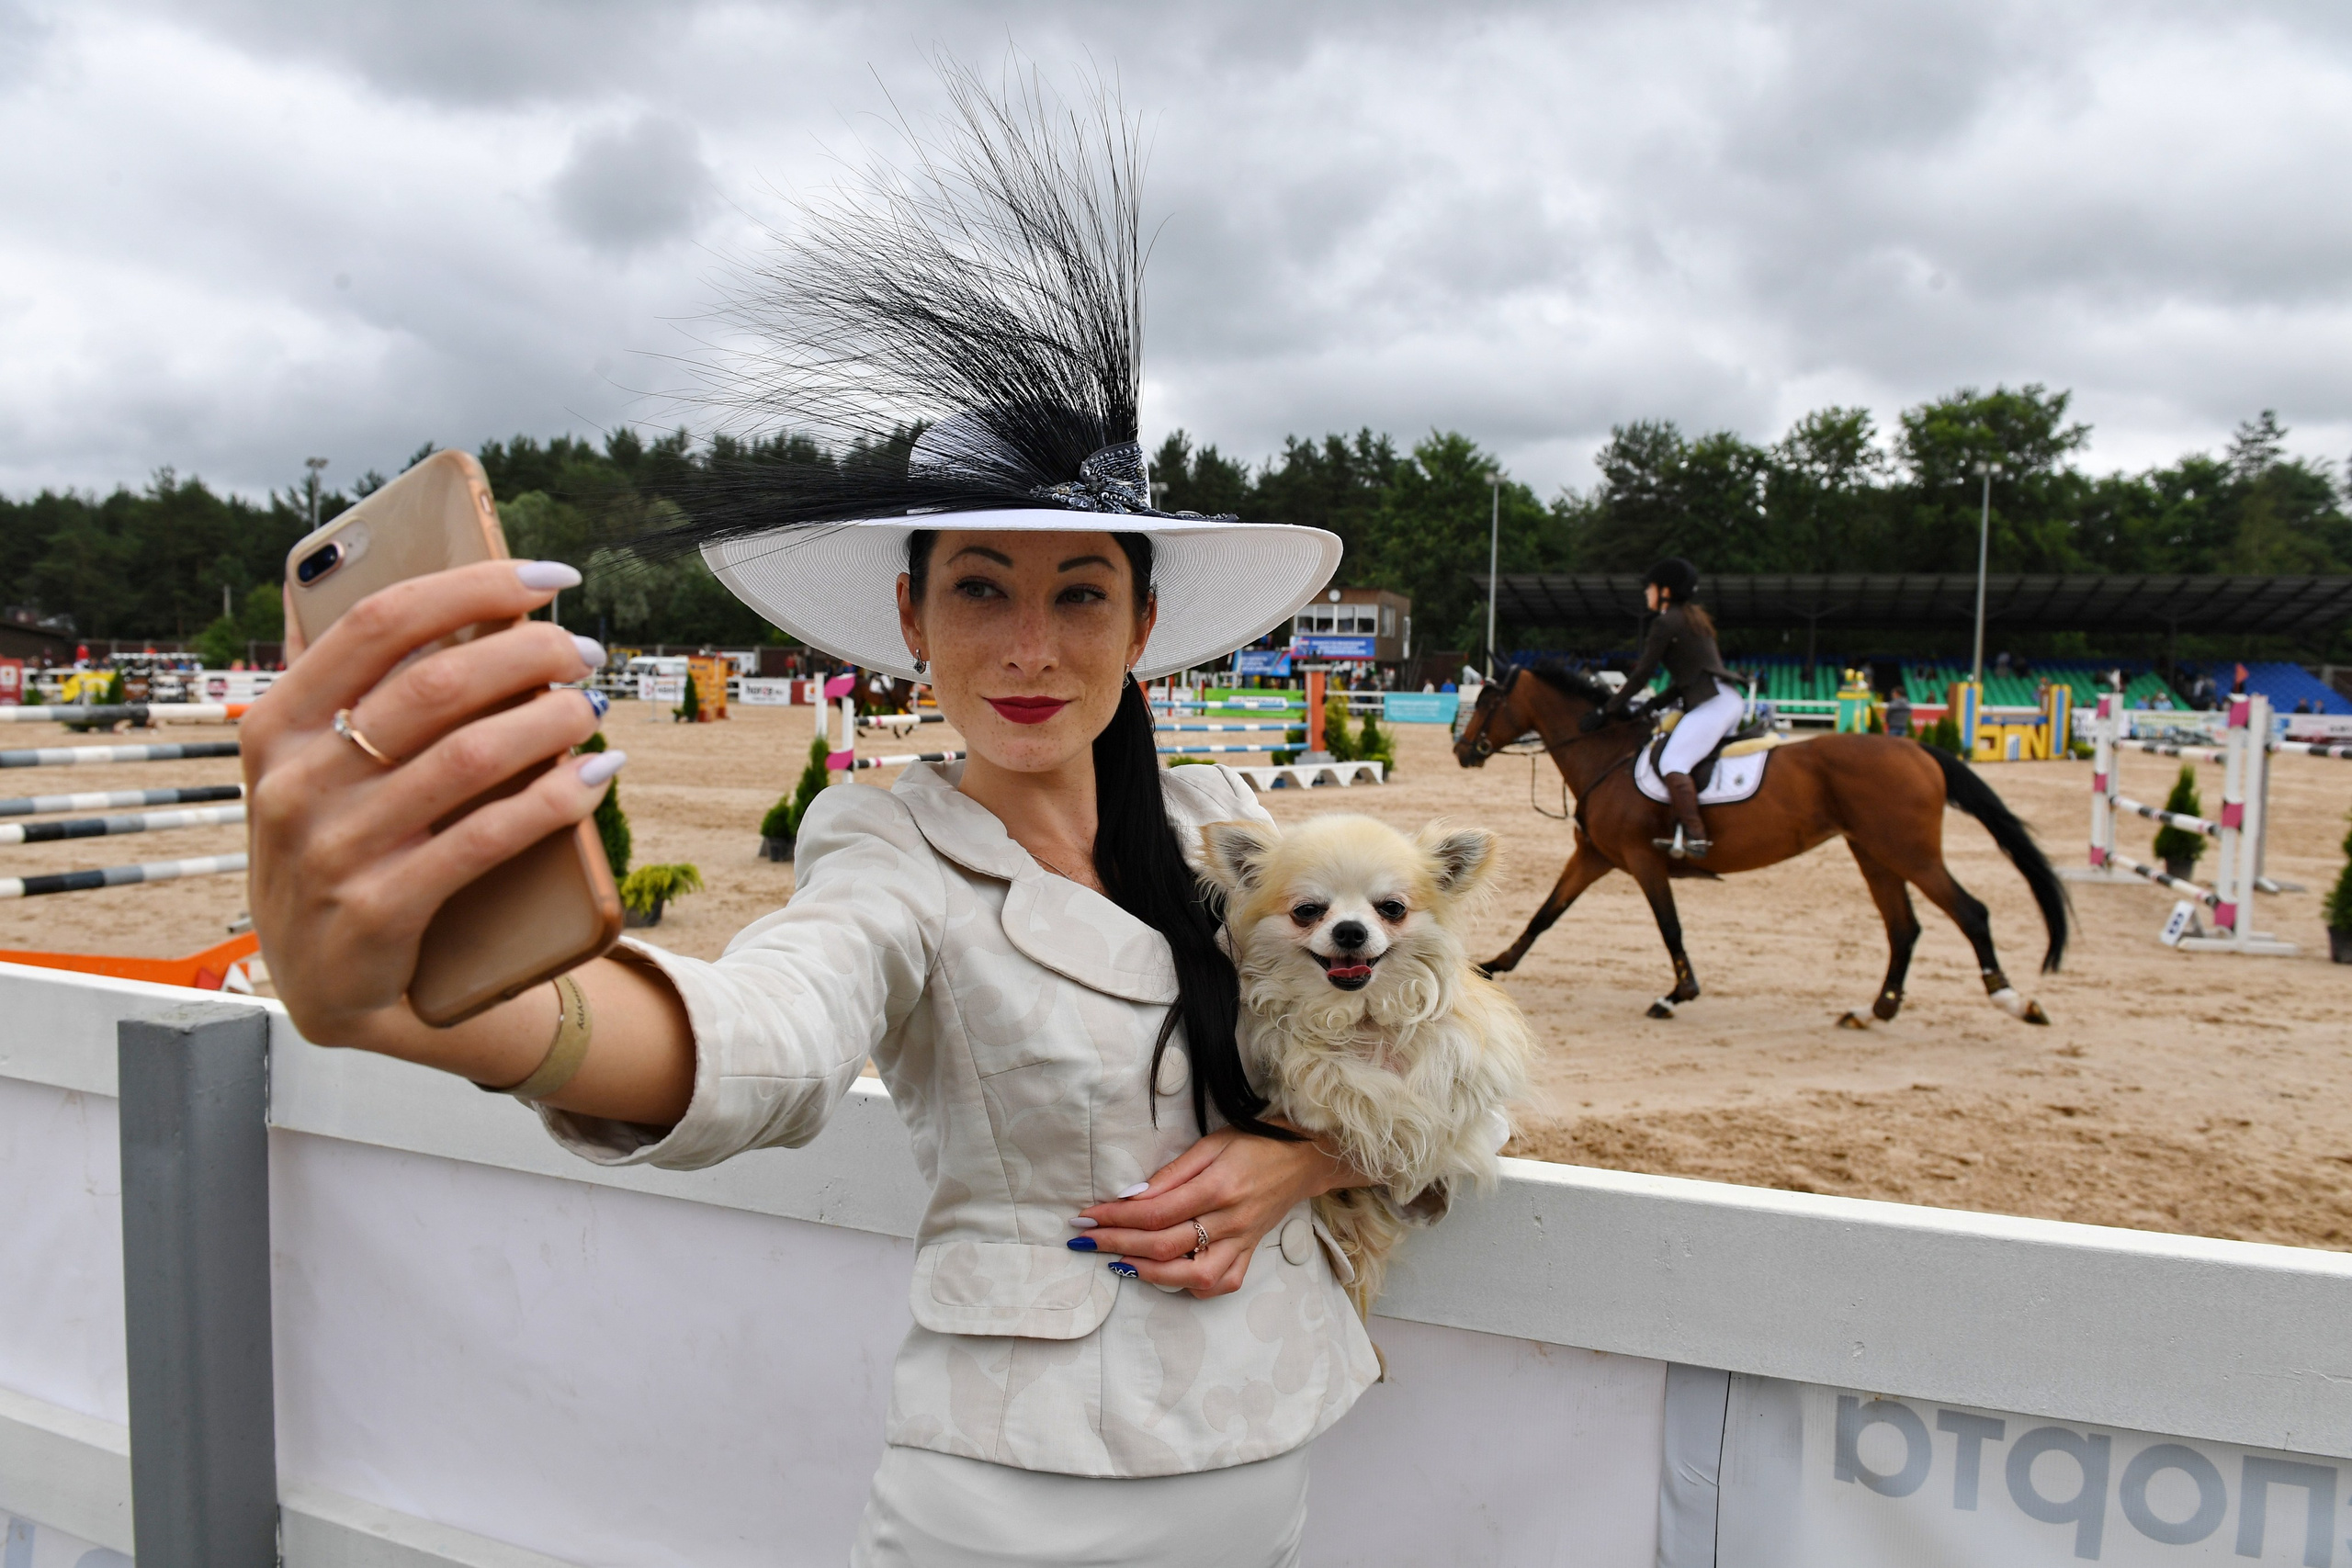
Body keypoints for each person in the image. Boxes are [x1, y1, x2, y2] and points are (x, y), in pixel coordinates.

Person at [243, 70, 1390, 1568]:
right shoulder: (888, 845)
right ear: (912, 614)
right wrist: (431, 1013)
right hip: (1009, 1501)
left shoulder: (1231, 823)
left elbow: (1427, 1054)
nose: (1030, 648)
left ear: (1145, 617)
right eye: (980, 587)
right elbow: (770, 1036)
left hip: (1274, 1459)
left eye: (1078, 594)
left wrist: (1305, 1158)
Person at [1602, 558, 1743, 859]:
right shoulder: (1695, 619)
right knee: (1690, 758)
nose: (1646, 594)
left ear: (1665, 590)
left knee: (1673, 762)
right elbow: (1686, 679)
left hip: (1712, 704)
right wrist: (1654, 704)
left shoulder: (1666, 622)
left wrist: (1608, 709)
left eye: (1650, 588)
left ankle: (1695, 835)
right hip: (1726, 699)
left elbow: (1642, 674)